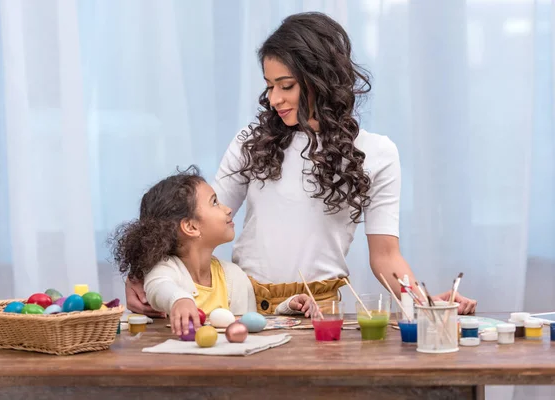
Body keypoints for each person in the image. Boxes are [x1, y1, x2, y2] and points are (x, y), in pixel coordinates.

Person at [125, 12, 477, 316]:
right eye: (269, 86)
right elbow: (197, 221)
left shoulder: (378, 154)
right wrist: (144, 273)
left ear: (321, 80)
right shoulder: (252, 142)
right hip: (247, 305)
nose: (275, 99)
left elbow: (385, 257)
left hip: (319, 311)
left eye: (287, 86)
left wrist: (424, 301)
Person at [110, 167, 313, 336]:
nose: (228, 209)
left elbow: (251, 323)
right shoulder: (167, 270)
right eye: (214, 202)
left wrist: (287, 309)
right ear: (191, 227)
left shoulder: (234, 277)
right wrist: (179, 300)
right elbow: (158, 287)